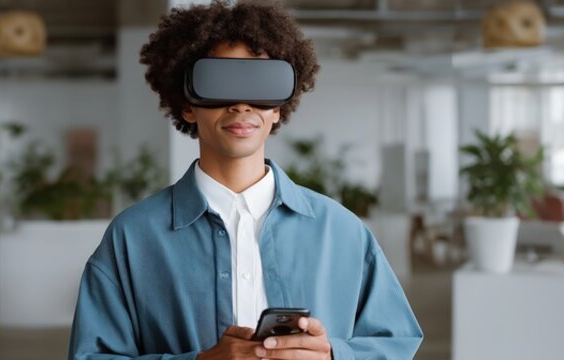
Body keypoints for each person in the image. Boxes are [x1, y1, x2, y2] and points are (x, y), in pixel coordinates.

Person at [69, 1, 422, 359]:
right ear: (187, 104)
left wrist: (333, 355)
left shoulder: (342, 231)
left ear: (278, 108)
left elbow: (397, 342)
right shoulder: (132, 237)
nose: (241, 105)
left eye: (260, 86)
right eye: (218, 84)